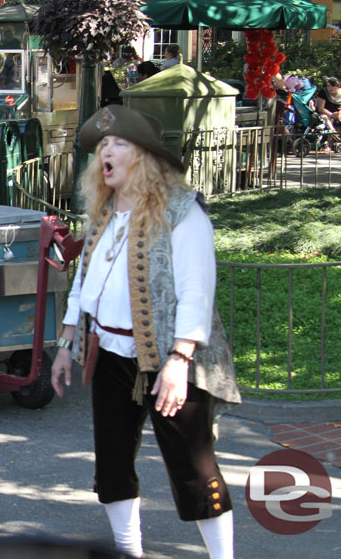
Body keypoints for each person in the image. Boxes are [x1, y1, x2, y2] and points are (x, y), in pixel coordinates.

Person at [50, 105, 240, 559]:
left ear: (147, 157)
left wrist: (180, 361)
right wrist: (65, 342)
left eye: (119, 145)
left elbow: (197, 291)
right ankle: (128, 551)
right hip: (112, 353)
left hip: (172, 360)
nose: (106, 154)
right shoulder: (104, 211)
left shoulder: (182, 212)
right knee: (112, 463)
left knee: (193, 468)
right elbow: (84, 282)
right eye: (102, 147)